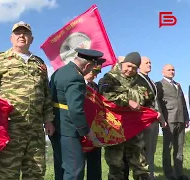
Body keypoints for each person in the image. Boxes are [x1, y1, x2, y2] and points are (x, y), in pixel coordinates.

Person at [0, 21, 55, 180]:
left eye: (25, 33)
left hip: (35, 129)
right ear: (11, 38)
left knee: (35, 173)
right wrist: (2, 102)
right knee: (9, 174)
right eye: (18, 33)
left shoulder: (39, 63)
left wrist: (48, 120)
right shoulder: (0, 59)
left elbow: (46, 93)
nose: (21, 36)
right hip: (11, 126)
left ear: (32, 38)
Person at [49, 48, 104, 180]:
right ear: (87, 65)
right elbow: (75, 109)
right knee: (75, 169)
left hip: (56, 124)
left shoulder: (59, 72)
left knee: (61, 167)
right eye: (90, 69)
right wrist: (85, 131)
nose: (89, 72)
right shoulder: (76, 77)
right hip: (68, 129)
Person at [98, 52, 153, 180]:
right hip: (115, 127)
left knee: (140, 163)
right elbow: (105, 95)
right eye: (128, 66)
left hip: (135, 128)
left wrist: (151, 113)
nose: (130, 70)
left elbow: (149, 100)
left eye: (134, 68)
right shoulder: (110, 77)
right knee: (116, 163)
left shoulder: (141, 81)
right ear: (123, 63)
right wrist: (127, 101)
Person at [156, 64, 190, 180]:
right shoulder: (159, 85)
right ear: (162, 71)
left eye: (173, 69)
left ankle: (179, 174)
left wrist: (186, 118)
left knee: (179, 148)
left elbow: (183, 102)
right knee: (168, 148)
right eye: (169, 70)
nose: (171, 71)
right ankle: (169, 174)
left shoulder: (177, 85)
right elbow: (158, 102)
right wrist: (162, 119)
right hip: (169, 120)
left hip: (180, 119)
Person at [138, 56, 166, 180]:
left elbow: (156, 101)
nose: (149, 64)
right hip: (144, 120)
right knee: (143, 151)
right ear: (139, 65)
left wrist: (162, 118)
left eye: (150, 62)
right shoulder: (137, 80)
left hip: (155, 120)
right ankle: (144, 176)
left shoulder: (152, 82)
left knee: (151, 150)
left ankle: (151, 176)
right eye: (146, 63)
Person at [84, 59, 105, 180]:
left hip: (95, 129)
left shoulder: (95, 86)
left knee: (95, 163)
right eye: (95, 71)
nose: (97, 74)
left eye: (99, 71)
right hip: (80, 128)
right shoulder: (77, 84)